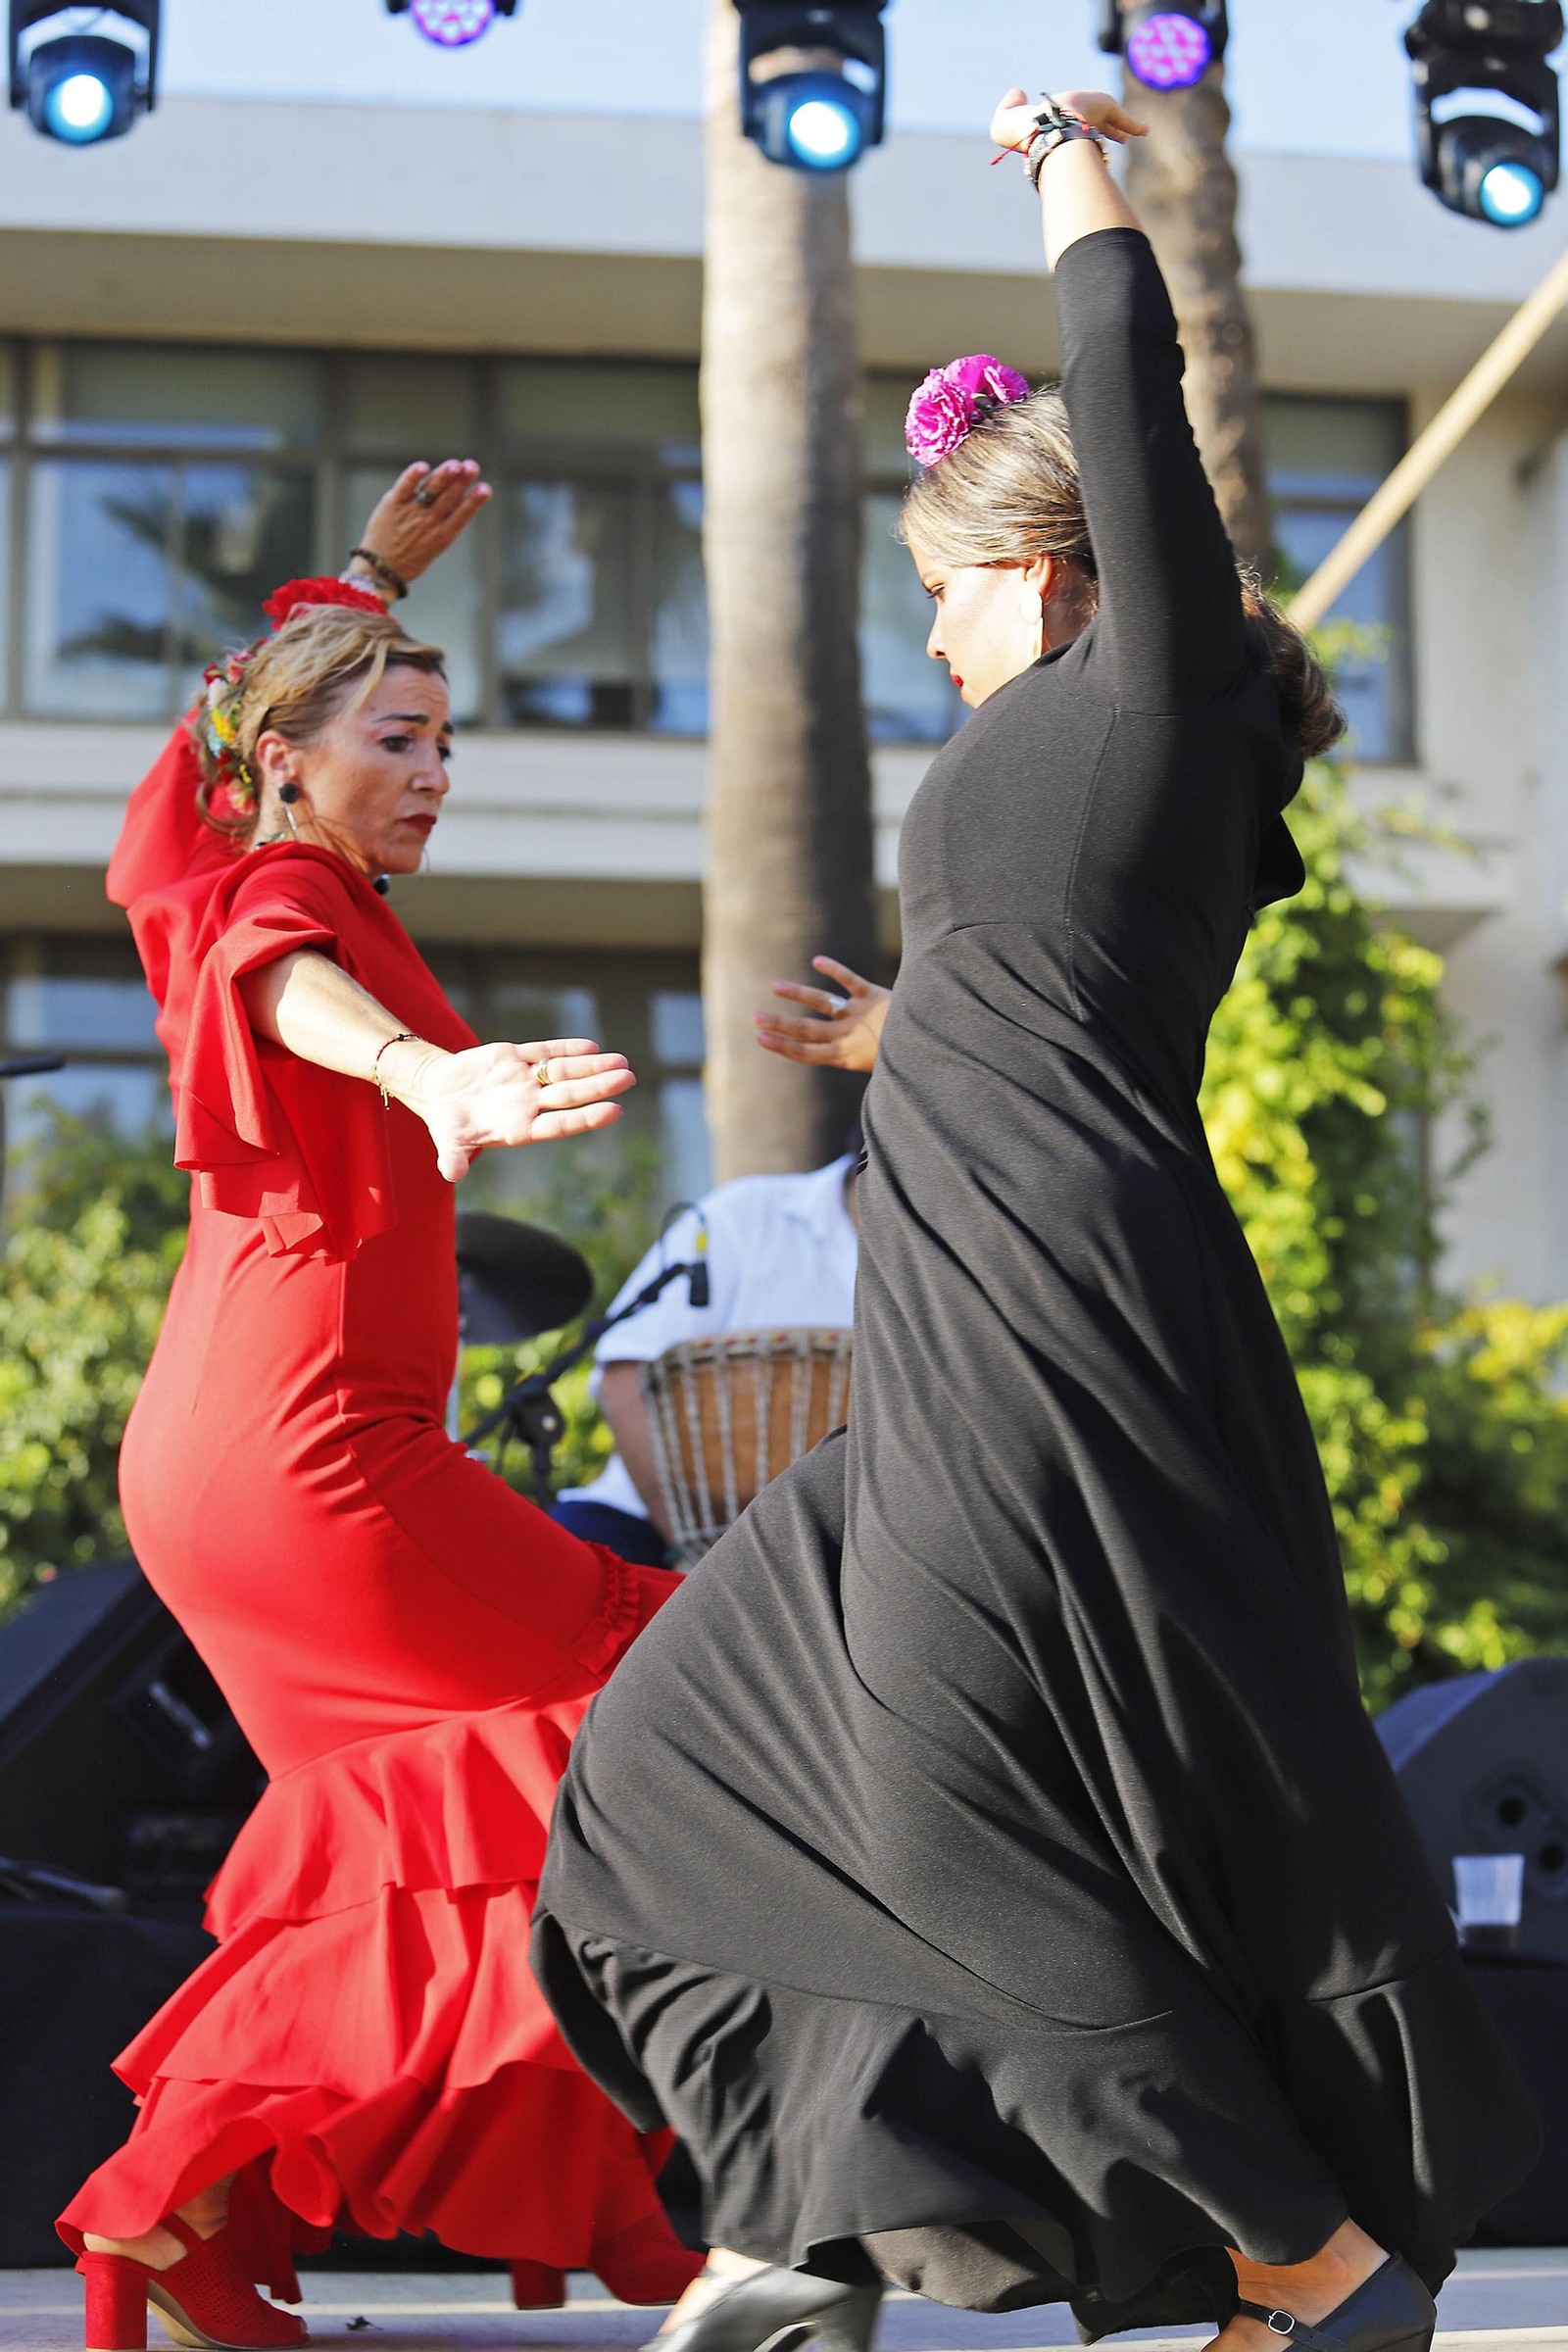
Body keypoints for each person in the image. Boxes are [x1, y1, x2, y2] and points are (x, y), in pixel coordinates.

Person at [531, 81, 1539, 2352]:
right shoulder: (1080, 776)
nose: (929, 641)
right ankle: (874, 2212)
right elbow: (1053, 1014)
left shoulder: (1147, 695)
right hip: (964, 1291)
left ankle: (1301, 2258)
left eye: (938, 595)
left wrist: (1074, 155)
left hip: (1052, 1308)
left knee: (963, 1810)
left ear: (1049, 569)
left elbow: (1120, 367)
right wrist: (910, 1050)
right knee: (672, 1754)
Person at [58, 466, 703, 2352]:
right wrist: (425, 1075)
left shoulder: (207, 866)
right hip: (327, 1453)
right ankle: (198, 2199)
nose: (434, 772)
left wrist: (357, 584)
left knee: (405, 1842)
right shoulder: (273, 898)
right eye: (398, 735)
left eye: (447, 743)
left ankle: (188, 2223)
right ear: (286, 753)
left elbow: (182, 801)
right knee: (668, 1704)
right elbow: (291, 988)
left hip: (228, 1459)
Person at [553, 1148, 860, 1565]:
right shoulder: (749, 1215)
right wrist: (698, 1558)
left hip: (838, 1558)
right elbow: (625, 1378)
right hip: (650, 1524)